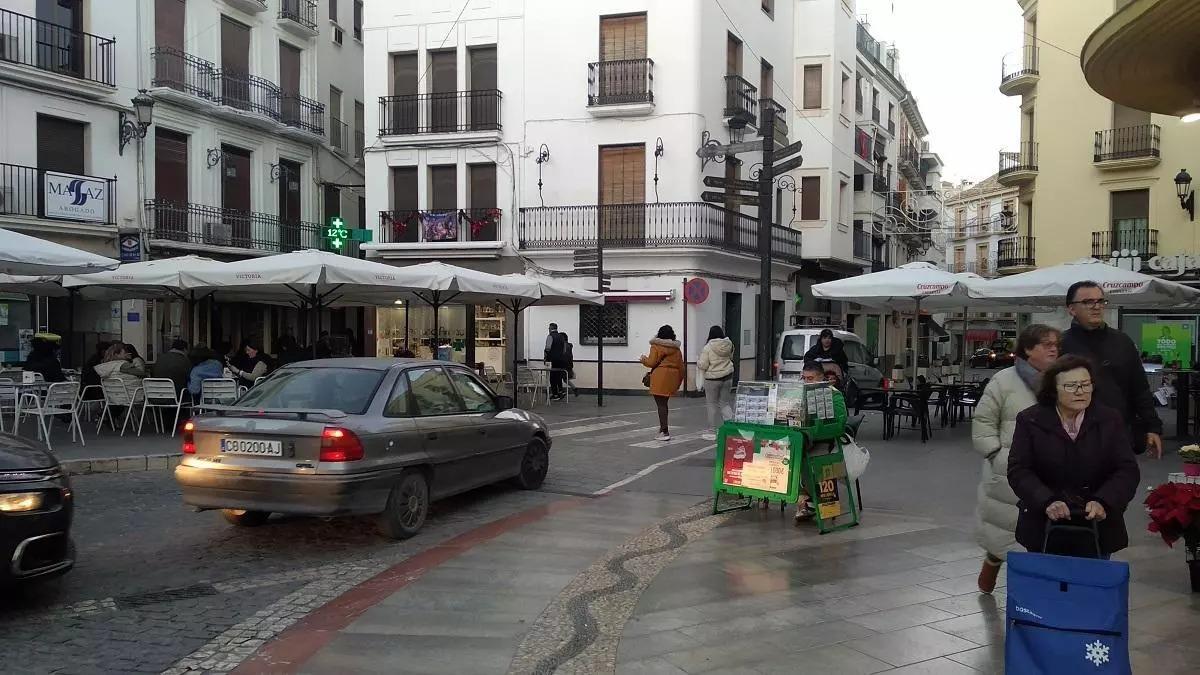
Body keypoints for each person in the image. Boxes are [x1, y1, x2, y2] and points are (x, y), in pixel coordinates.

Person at [1007, 355, 1141, 559]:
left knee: (1092, 578)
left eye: (1086, 385)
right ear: (1053, 390)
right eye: (1071, 386)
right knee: (1047, 578)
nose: (1080, 392)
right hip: (1045, 526)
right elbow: (1019, 470)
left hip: (1097, 526)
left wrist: (1104, 501)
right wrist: (1046, 500)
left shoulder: (1110, 419)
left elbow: (1126, 469)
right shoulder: (1030, 420)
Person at [971, 324, 1060, 594]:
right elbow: (984, 421)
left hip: (1050, 469)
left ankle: (1030, 592)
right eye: (1047, 344)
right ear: (1028, 349)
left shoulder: (1062, 378)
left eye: (1056, 344)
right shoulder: (1003, 381)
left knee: (1038, 531)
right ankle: (992, 571)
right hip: (1008, 468)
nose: (1054, 349)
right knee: (1005, 526)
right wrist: (996, 455)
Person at [1060, 281, 1163, 459]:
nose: (1096, 307)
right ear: (1071, 309)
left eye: (1100, 301)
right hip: (1074, 437)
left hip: (1119, 433)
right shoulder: (1061, 345)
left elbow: (1140, 388)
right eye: (1088, 302)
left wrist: (1153, 427)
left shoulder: (1122, 342)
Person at [640, 325, 684, 441]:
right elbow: (681, 367)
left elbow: (651, 362)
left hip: (660, 377)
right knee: (664, 404)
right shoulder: (676, 349)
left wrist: (643, 359)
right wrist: (679, 381)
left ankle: (665, 431)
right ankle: (662, 429)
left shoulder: (656, 346)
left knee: (661, 405)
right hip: (672, 377)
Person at [697, 325, 735, 441]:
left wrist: (698, 362)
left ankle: (712, 431)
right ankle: (731, 428)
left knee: (712, 404)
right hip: (727, 377)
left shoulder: (708, 347)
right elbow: (731, 357)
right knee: (724, 403)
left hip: (712, 379)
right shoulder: (729, 344)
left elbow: (703, 365)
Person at [547, 331, 569, 400]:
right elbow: (564, 350)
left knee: (552, 378)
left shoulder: (550, 336)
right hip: (561, 361)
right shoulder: (562, 337)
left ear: (550, 328)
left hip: (554, 360)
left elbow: (547, 348)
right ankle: (560, 391)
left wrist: (547, 357)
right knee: (558, 377)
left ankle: (555, 394)